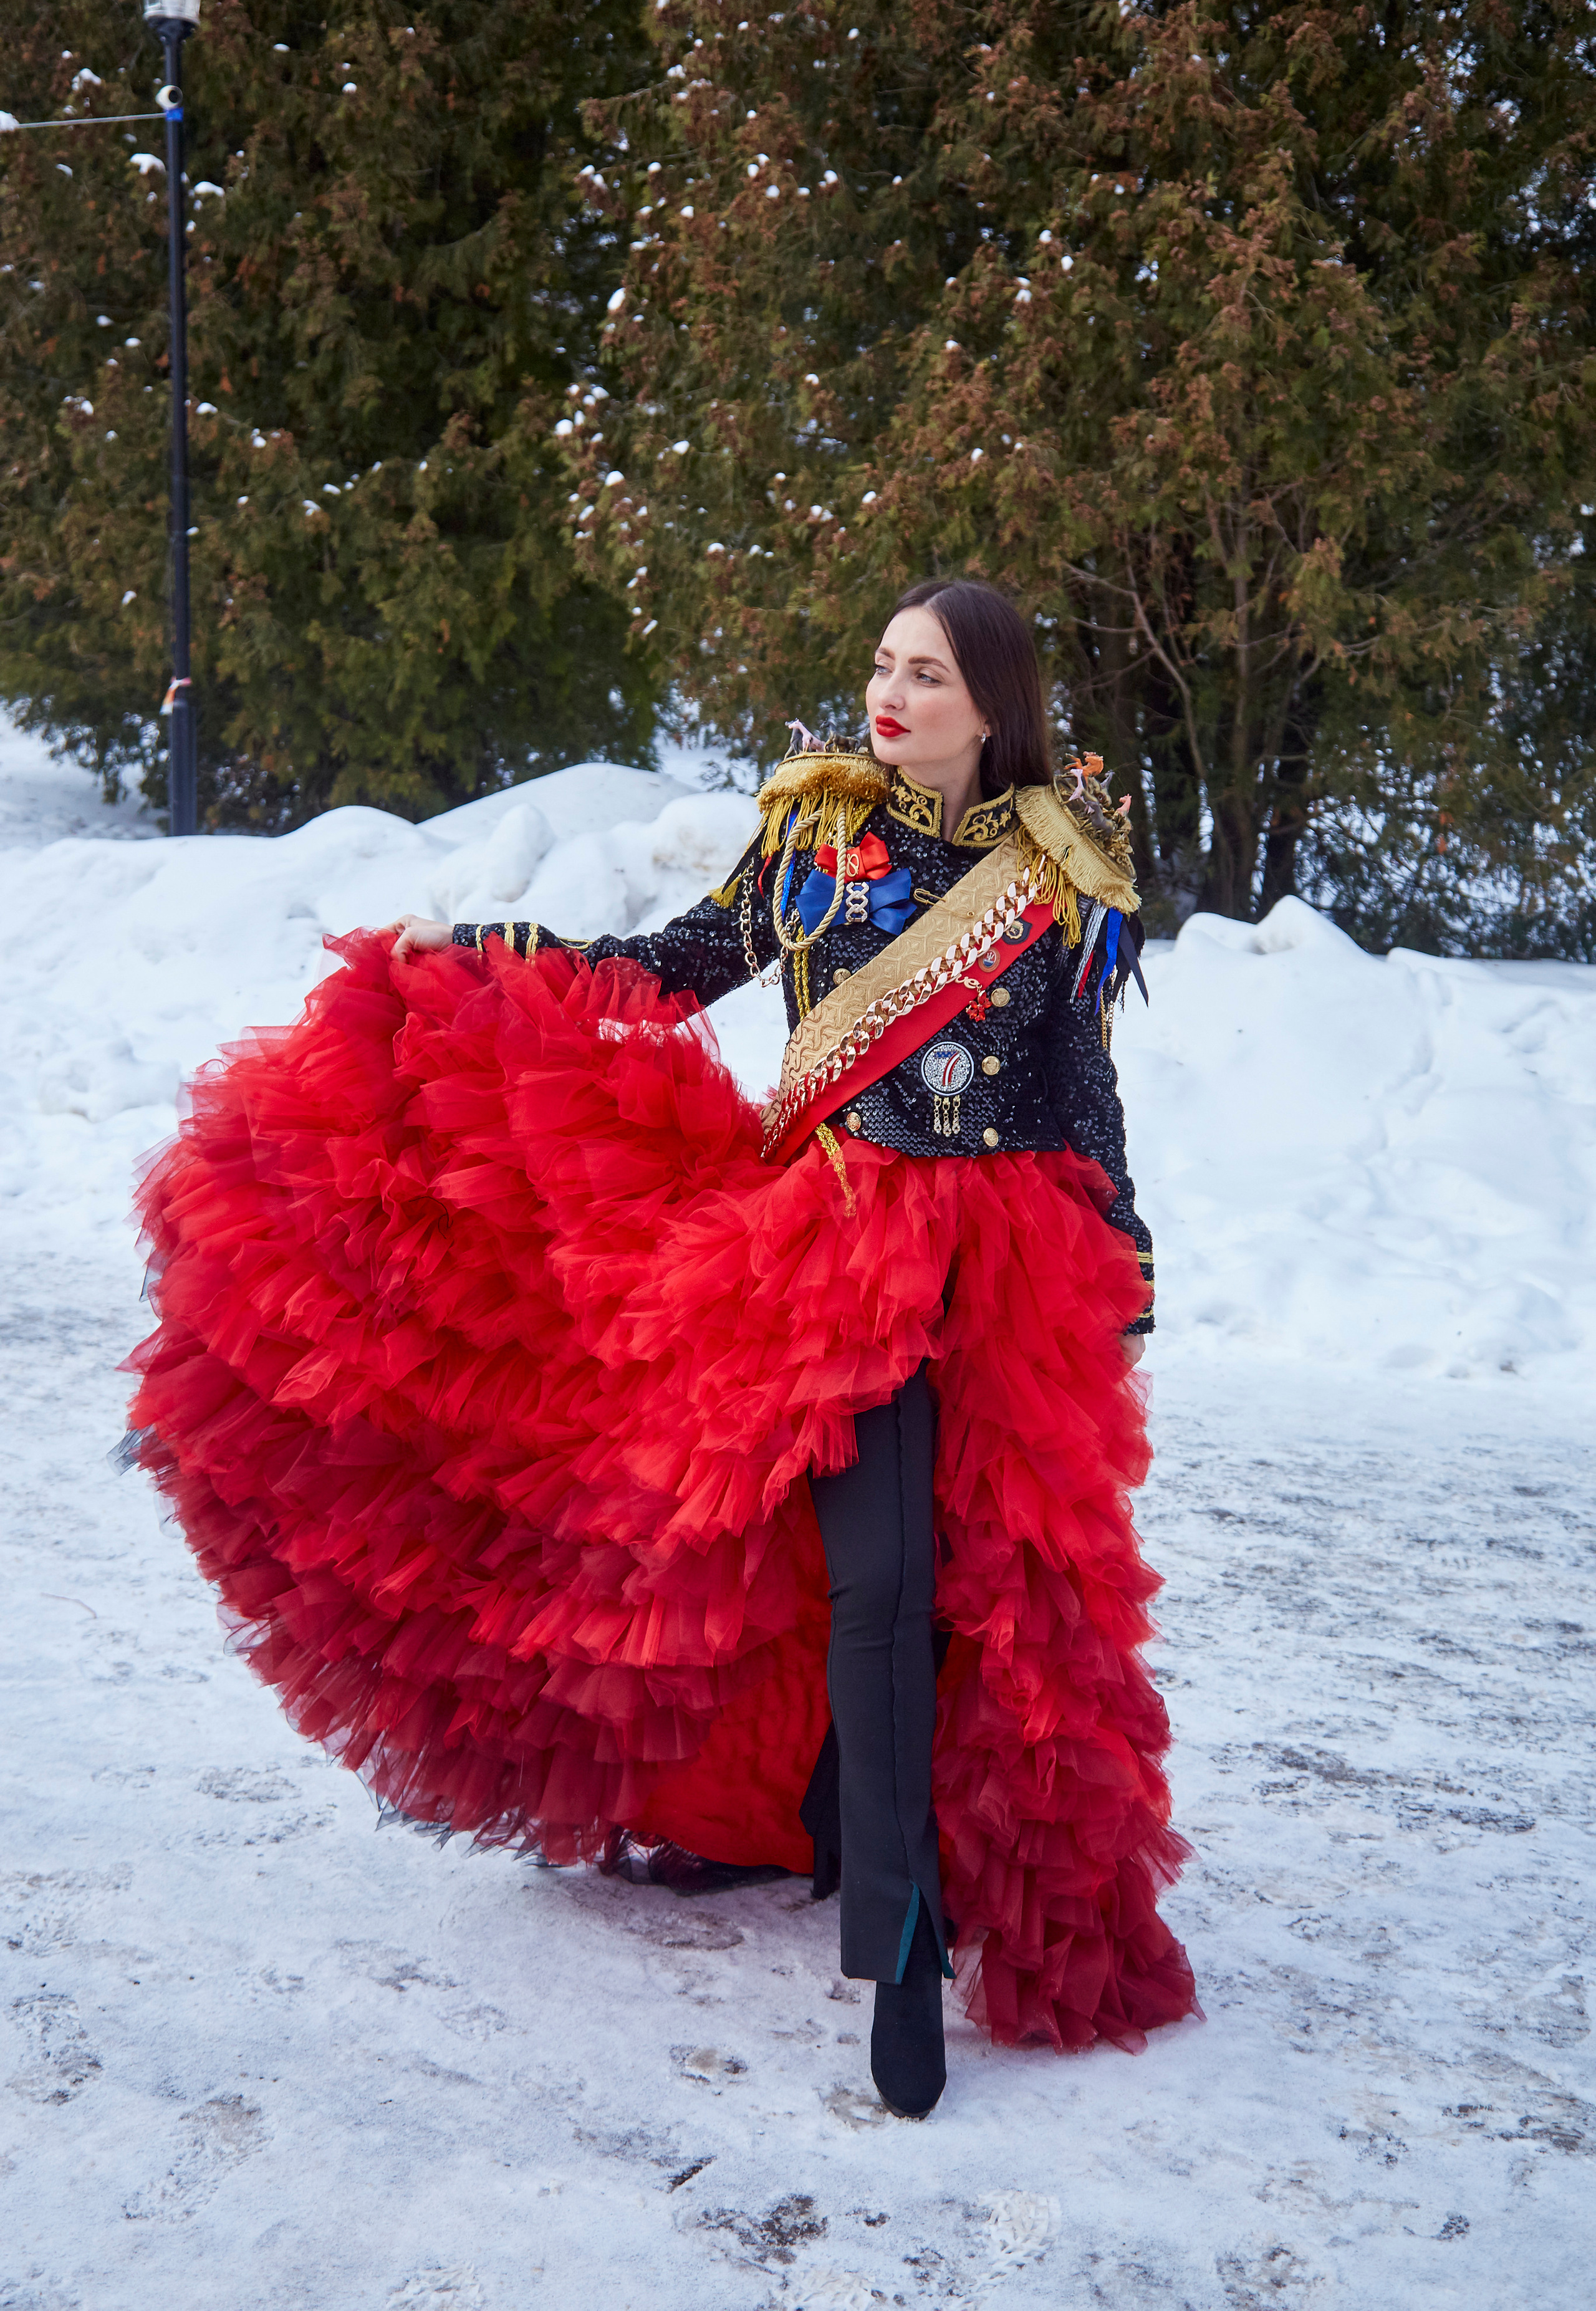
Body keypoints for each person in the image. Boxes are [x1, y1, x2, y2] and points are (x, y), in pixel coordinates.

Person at [127, 577, 1197, 2124]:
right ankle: (894, 1945)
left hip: (1012, 1270)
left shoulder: (1063, 878)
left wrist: (1125, 1259)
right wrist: (491, 952)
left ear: (994, 704)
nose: (888, 699)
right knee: (879, 1583)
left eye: (927, 677)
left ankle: (862, 1829)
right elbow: (677, 965)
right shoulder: (816, 833)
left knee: (1005, 1595)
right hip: (836, 1245)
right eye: (881, 666)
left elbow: (1082, 1095)